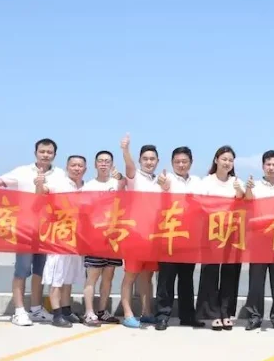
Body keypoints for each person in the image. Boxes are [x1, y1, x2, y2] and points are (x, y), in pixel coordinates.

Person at [0, 138, 65, 326]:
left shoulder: (60, 175)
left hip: (48, 231)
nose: (45, 155)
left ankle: (36, 309)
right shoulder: (22, 172)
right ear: (35, 153)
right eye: (42, 151)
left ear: (55, 155)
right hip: (25, 229)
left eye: (49, 152)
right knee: (22, 270)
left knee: (41, 271)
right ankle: (19, 310)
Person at [196, 146, 245, 331]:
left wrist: (240, 192)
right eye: (224, 159)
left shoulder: (236, 182)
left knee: (230, 273)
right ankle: (213, 313)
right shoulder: (206, 182)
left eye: (230, 160)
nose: (227, 163)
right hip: (211, 231)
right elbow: (199, 203)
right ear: (216, 160)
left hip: (232, 233)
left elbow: (244, 203)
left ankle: (226, 312)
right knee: (210, 272)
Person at [155, 146, 204, 331]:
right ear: (172, 163)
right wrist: (163, 187)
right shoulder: (164, 179)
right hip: (168, 236)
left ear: (191, 162)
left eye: (184, 161)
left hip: (189, 237)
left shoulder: (197, 182)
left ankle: (187, 316)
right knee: (166, 279)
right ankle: (162, 316)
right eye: (177, 162)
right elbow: (154, 201)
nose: (181, 165)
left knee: (186, 279)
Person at [120, 134, 164, 329]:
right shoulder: (134, 176)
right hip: (135, 235)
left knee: (148, 276)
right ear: (140, 160)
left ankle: (147, 312)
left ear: (157, 161)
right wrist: (125, 150)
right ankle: (128, 313)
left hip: (153, 237)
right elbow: (129, 166)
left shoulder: (160, 181)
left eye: (152, 159)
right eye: (145, 159)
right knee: (130, 275)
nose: (149, 162)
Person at [244, 150, 274, 331]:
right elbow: (246, 203)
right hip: (259, 240)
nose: (271, 167)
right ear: (263, 166)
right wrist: (247, 190)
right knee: (256, 281)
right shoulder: (254, 187)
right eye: (268, 164)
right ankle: (255, 316)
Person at [41, 155, 87, 328]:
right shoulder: (58, 183)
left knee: (69, 276)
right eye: (73, 165)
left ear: (85, 169)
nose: (77, 168)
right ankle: (57, 314)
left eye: (80, 166)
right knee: (57, 277)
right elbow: (41, 193)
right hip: (58, 238)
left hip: (76, 240)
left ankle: (67, 310)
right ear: (67, 167)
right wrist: (39, 183)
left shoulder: (86, 188)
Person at [81, 150, 126, 326]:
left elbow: (126, 184)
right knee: (92, 276)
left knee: (108, 277)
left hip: (113, 238)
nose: (104, 164)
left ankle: (102, 311)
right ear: (95, 164)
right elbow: (83, 212)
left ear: (112, 164)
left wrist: (120, 177)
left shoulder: (116, 183)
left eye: (107, 161)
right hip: (95, 238)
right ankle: (89, 312)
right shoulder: (88, 186)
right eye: (100, 161)